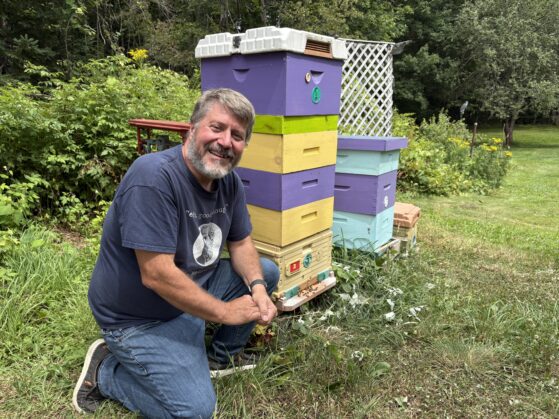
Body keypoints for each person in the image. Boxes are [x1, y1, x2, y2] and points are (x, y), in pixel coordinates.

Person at [73, 88, 280, 418]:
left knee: (266, 272)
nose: (226, 142)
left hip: (193, 287)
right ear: (192, 128)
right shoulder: (153, 176)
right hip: (139, 318)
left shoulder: (230, 183)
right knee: (194, 412)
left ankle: (219, 358)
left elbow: (240, 242)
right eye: (217, 127)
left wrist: (256, 288)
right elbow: (156, 274)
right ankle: (105, 372)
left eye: (237, 135)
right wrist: (225, 313)